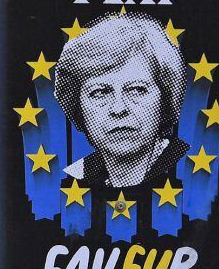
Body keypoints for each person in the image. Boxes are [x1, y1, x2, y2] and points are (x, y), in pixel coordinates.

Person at [54, 13, 189, 188]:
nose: (118, 108)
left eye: (137, 90)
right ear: (78, 108)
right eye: (100, 92)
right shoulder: (70, 181)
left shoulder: (193, 172)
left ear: (165, 100)